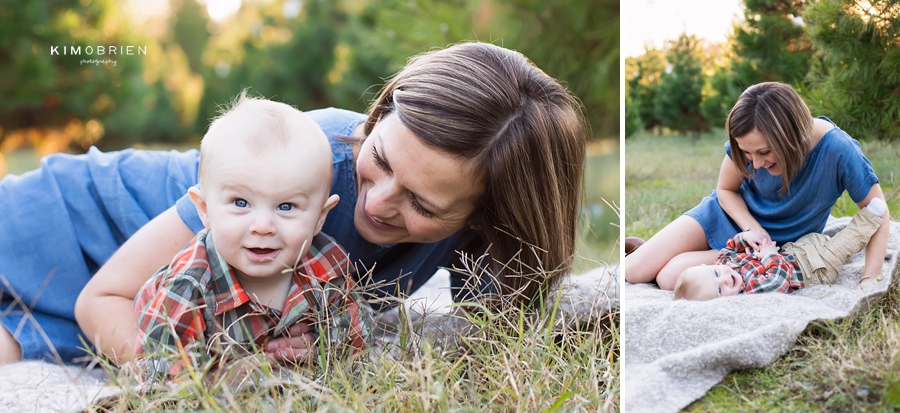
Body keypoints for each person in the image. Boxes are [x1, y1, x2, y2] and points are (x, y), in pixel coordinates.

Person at [0, 42, 586, 365]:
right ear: (381, 117)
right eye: (380, 159)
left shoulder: (483, 238)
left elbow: (500, 331)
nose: (376, 203)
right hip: (70, 223)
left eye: (424, 206)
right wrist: (194, 381)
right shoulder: (323, 155)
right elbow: (104, 298)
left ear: (486, 218)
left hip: (152, 310)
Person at [133, 95, 369, 377]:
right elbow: (161, 375)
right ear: (205, 209)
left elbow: (356, 343)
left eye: (286, 206)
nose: (262, 226)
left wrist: (321, 352)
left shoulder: (327, 266)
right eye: (241, 203)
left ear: (320, 216)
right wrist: (222, 378)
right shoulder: (189, 286)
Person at [624, 82, 890, 291]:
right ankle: (660, 252)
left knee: (669, 278)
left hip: (769, 250)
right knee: (632, 272)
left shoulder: (837, 149)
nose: (757, 164)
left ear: (791, 136)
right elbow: (725, 190)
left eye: (764, 152)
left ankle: (699, 255)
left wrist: (870, 277)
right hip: (727, 218)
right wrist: (752, 229)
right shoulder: (749, 145)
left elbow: (878, 211)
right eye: (747, 154)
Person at [674, 198, 885, 301]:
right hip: (814, 270)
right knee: (844, 244)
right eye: (720, 289)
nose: (725, 279)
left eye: (716, 274)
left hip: (795, 251)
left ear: (709, 266)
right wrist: (769, 257)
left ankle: (838, 247)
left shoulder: (725, 265)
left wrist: (745, 237)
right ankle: (872, 217)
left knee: (817, 238)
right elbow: (778, 281)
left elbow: (729, 248)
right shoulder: (750, 291)